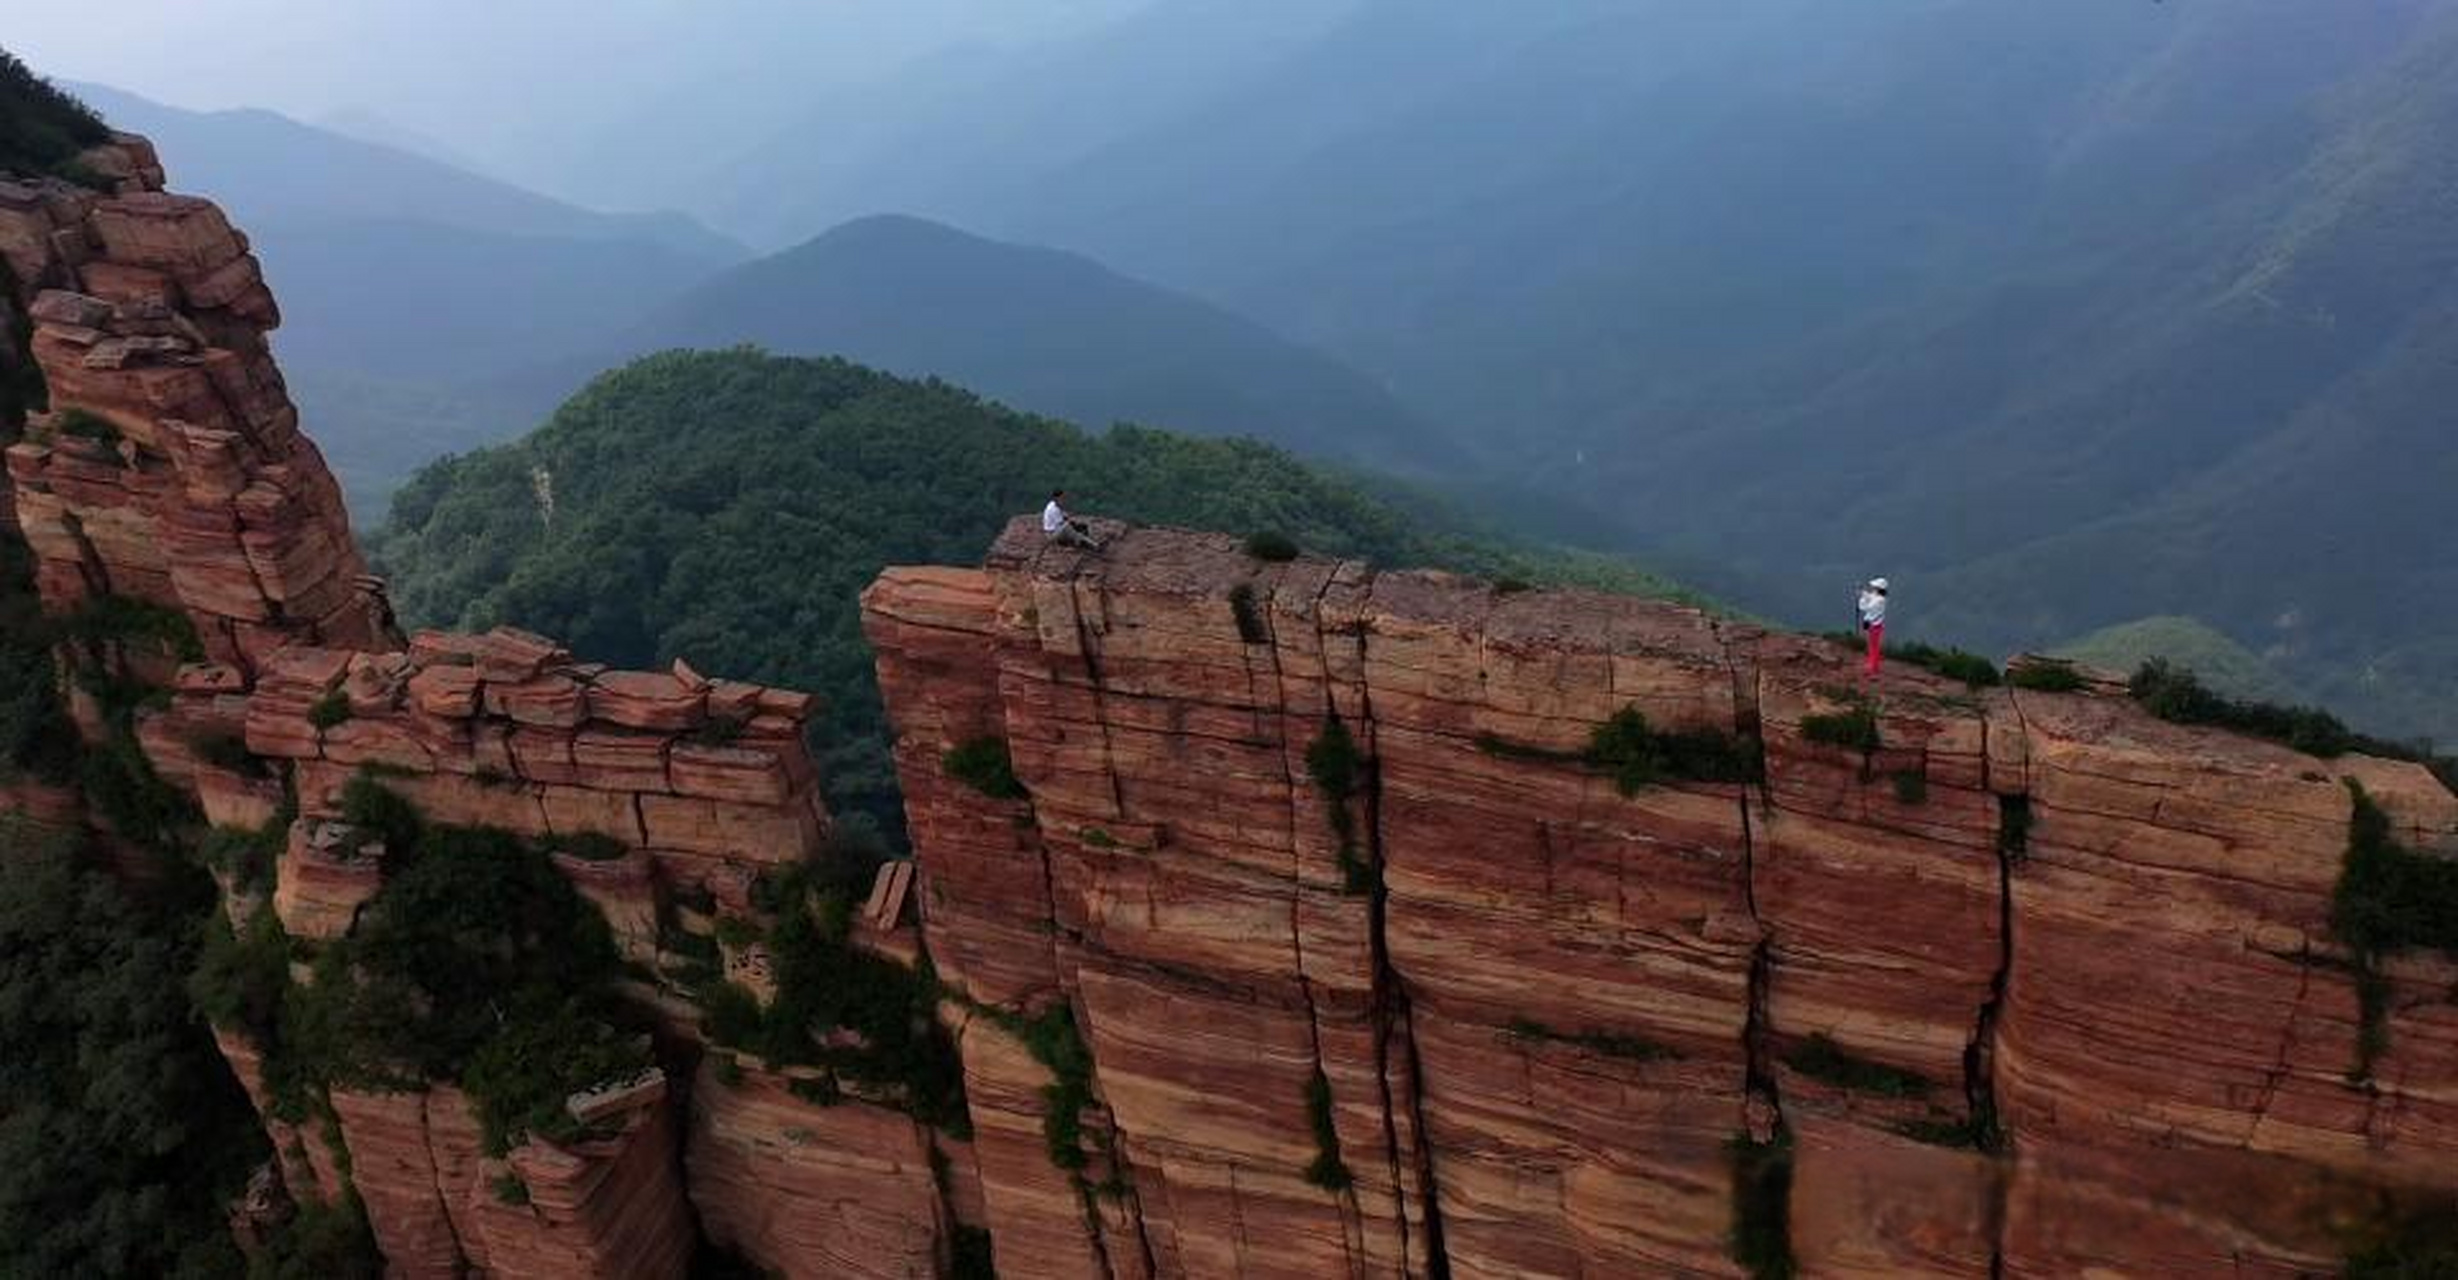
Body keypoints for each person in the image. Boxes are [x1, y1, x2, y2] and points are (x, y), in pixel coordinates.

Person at [1856, 577, 1889, 677]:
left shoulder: (1879, 600)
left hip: (1873, 626)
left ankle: (1873, 668)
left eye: (1874, 587)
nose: (1872, 588)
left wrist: (1861, 598)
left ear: (1878, 588)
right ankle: (1872, 665)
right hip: (1874, 625)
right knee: (1872, 646)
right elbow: (1870, 596)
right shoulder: (1879, 598)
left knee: (1873, 647)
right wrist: (1862, 592)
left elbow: (1864, 608)